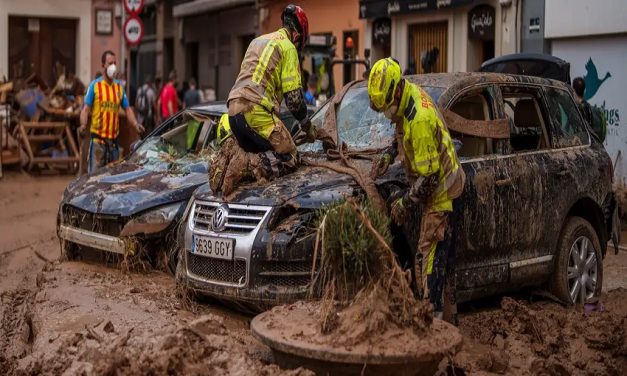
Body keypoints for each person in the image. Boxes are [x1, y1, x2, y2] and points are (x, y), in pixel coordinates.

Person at [367, 57, 465, 321]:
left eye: (386, 107)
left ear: (396, 91)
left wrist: (405, 203)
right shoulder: (406, 95)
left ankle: (432, 324)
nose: (386, 113)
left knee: (429, 260)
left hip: (442, 193)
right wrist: (389, 155)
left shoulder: (418, 119)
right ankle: (450, 323)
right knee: (444, 266)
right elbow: (400, 131)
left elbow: (430, 176)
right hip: (441, 184)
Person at [210, 4, 312, 196]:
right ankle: (242, 164)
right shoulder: (288, 47)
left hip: (233, 110)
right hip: (256, 111)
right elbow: (295, 101)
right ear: (297, 36)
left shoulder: (257, 41)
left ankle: (228, 160)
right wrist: (307, 125)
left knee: (265, 158)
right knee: (289, 157)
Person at [79, 50, 144, 174]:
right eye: (110, 63)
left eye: (115, 63)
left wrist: (135, 124)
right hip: (98, 143)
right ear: (103, 65)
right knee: (94, 179)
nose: (113, 66)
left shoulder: (119, 88)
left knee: (112, 180)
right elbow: (86, 109)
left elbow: (127, 109)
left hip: (114, 144)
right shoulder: (95, 86)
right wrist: (83, 125)